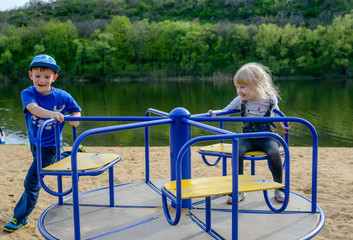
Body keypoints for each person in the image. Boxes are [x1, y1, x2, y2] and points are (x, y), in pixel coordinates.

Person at [4, 54, 82, 232]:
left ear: (54, 78)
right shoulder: (28, 93)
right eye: (37, 76)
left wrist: (74, 119)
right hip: (35, 143)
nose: (42, 80)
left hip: (50, 145)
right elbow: (33, 109)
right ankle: (72, 153)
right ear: (30, 75)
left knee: (32, 182)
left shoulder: (63, 96)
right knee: (51, 163)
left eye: (47, 77)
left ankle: (21, 218)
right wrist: (52, 114)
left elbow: (76, 111)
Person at [209, 62, 290, 204]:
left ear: (257, 85)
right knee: (237, 152)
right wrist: (216, 113)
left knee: (274, 154)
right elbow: (225, 112)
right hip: (246, 137)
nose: (239, 91)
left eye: (243, 87)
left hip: (267, 137)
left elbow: (277, 113)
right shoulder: (240, 100)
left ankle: (279, 187)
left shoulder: (270, 100)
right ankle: (238, 189)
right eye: (237, 87)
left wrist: (282, 122)